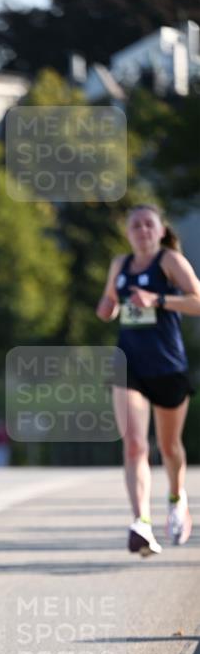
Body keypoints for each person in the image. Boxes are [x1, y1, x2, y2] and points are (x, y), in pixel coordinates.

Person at [96, 203, 200, 555]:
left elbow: (198, 301)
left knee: (170, 447)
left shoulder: (169, 262)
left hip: (168, 366)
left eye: (148, 225)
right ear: (128, 233)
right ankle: (141, 523)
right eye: (135, 226)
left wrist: (156, 299)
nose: (142, 231)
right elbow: (110, 301)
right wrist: (107, 307)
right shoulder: (119, 265)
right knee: (135, 445)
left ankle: (176, 498)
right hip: (130, 365)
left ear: (159, 230)